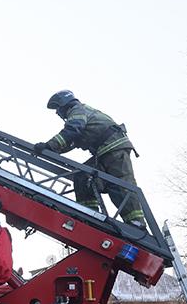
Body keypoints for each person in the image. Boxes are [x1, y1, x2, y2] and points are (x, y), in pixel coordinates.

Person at [33, 90, 144, 226]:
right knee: (82, 177)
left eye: (57, 108)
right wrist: (51, 149)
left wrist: (49, 145)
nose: (57, 113)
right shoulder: (80, 113)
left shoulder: (77, 110)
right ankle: (90, 215)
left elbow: (72, 131)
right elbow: (72, 141)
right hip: (104, 152)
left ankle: (136, 223)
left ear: (64, 104)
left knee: (121, 185)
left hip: (114, 149)